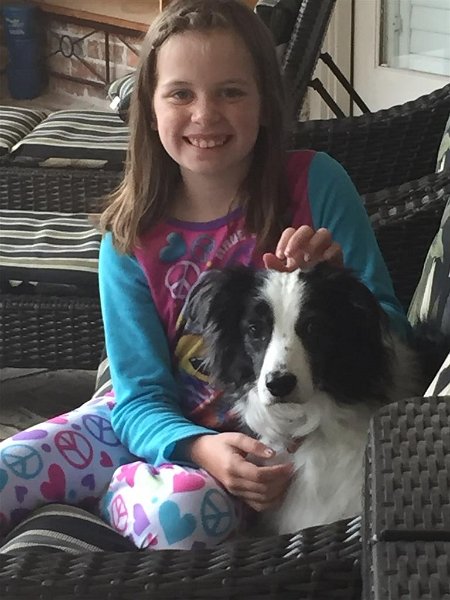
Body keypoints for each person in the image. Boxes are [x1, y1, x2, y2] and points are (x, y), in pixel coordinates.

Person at [0, 0, 410, 550]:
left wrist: (341, 288)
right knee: (9, 467)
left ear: (266, 103)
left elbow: (393, 336)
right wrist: (191, 445)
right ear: (149, 108)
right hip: (151, 421)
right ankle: (116, 483)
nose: (205, 115)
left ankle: (120, 493)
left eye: (231, 92)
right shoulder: (130, 235)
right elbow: (137, 395)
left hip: (254, 449)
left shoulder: (317, 184)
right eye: (180, 94)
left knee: (181, 514)